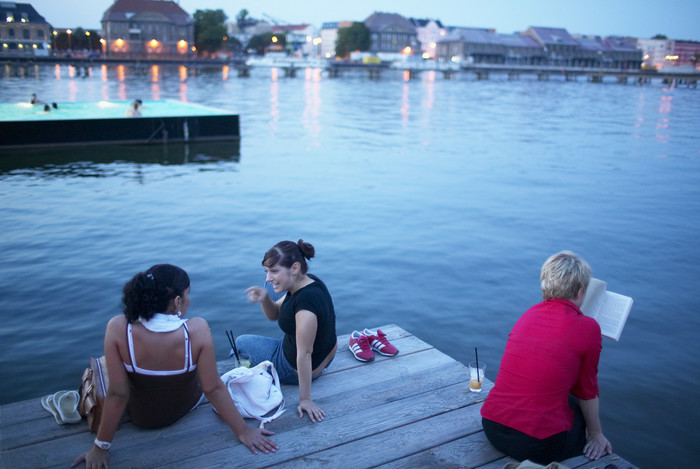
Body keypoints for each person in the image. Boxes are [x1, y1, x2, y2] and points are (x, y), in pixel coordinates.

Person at [72, 264, 277, 469]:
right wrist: (244, 431)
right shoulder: (196, 330)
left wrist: (100, 447)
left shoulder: (118, 327)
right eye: (188, 294)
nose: (189, 300)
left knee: (108, 362)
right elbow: (212, 388)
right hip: (184, 406)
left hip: (141, 417)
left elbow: (118, 394)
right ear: (178, 301)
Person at [480, 251, 612, 464]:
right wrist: (596, 433)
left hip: (492, 427)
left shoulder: (528, 313)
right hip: (536, 445)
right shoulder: (588, 327)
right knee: (578, 406)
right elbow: (586, 390)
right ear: (580, 292)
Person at [242, 240, 337, 423]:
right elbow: (275, 313)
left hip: (297, 367)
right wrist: (265, 299)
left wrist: (305, 400)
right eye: (266, 271)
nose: (268, 278)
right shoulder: (311, 281)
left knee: (241, 343)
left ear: (295, 267)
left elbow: (304, 354)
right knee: (275, 293)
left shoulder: (304, 309)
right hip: (326, 356)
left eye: (274, 271)